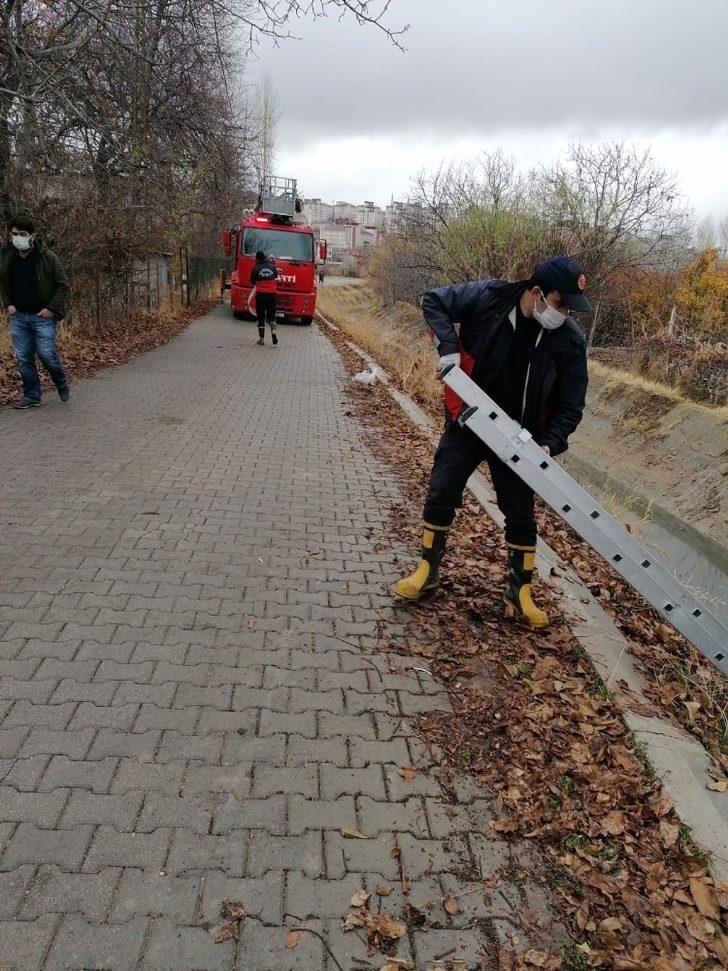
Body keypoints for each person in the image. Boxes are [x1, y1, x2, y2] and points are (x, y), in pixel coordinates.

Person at [395, 255, 592, 628]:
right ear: (537, 293)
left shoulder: (569, 341)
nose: (564, 314)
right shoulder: (489, 298)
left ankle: (519, 592)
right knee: (442, 490)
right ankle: (426, 570)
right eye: (560, 304)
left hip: (519, 438)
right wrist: (448, 349)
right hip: (469, 419)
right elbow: (432, 300)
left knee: (520, 514)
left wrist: (548, 445)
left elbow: (571, 405)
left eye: (569, 308)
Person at [0, 214, 71, 409]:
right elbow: (4, 283)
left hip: (42, 317)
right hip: (18, 316)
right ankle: (32, 395)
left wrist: (51, 308)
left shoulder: (47, 257)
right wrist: (8, 304)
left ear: (32, 236)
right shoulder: (8, 258)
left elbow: (62, 285)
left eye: (22, 234)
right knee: (23, 358)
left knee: (46, 354)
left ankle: (61, 382)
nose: (18, 238)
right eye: (14, 234)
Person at [249, 250, 278, 346]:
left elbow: (252, 281)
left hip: (261, 295)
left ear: (257, 258)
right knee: (272, 315)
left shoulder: (256, 268)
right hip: (272, 295)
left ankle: (261, 339)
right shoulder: (272, 267)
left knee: (260, 316)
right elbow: (276, 276)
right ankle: (273, 331)